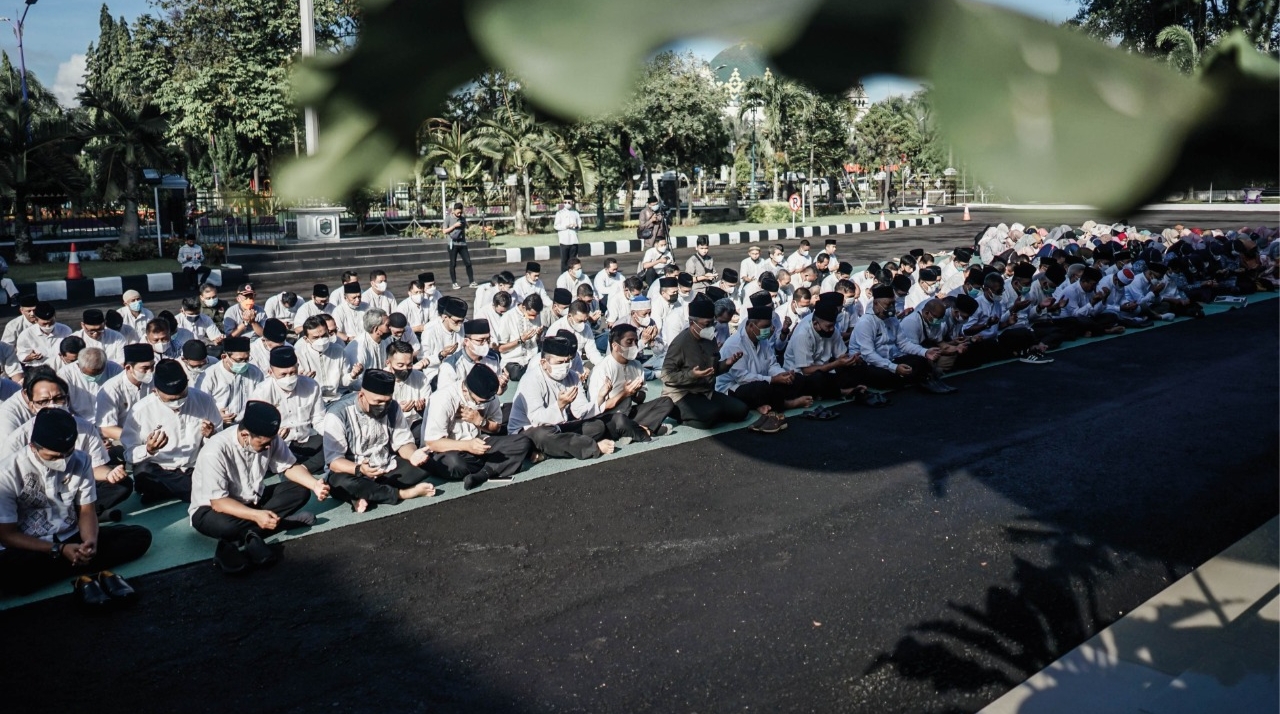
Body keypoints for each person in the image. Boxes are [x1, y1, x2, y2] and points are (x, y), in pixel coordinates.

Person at [0, 408, 152, 599]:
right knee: (7, 576)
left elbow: (87, 510)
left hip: (71, 538)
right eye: (54, 456)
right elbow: (7, 536)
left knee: (139, 537)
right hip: (31, 547)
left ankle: (70, 565)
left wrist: (90, 542)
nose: (62, 462)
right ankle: (76, 566)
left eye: (68, 453)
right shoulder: (6, 473)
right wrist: (58, 550)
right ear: (33, 446)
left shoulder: (81, 460)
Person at [190, 400, 329, 574]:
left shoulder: (269, 439)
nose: (269, 446)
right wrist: (256, 516)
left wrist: (314, 484)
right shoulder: (215, 451)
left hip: (252, 500)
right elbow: (219, 502)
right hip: (212, 510)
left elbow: (288, 466)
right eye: (263, 444)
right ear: (246, 435)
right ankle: (275, 524)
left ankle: (243, 537)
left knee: (299, 490)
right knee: (226, 527)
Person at [320, 369, 436, 512]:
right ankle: (401, 493)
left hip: (385, 466)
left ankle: (365, 494)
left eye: (386, 401)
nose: (383, 406)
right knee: (342, 483)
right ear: (361, 395)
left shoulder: (392, 407)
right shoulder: (337, 414)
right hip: (353, 472)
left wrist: (413, 454)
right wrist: (359, 469)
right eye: (378, 401)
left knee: (427, 463)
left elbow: (403, 442)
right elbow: (334, 461)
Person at [121, 359, 222, 504]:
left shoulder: (204, 400)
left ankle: (176, 491)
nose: (177, 403)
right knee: (143, 471)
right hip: (159, 468)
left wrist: (211, 435)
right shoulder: (140, 411)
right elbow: (129, 455)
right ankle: (194, 490)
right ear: (155, 391)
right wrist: (148, 449)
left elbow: (218, 443)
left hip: (193, 466)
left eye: (181, 397)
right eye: (170, 400)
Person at [507, 335, 620, 460]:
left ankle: (545, 453)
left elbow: (580, 411)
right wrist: (560, 405)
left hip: (558, 427)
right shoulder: (530, 380)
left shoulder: (572, 376)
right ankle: (593, 447)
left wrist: (600, 397)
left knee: (597, 426)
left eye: (567, 361)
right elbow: (536, 419)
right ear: (544, 363)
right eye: (560, 362)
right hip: (528, 430)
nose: (565, 366)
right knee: (542, 436)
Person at [422, 365, 531, 489]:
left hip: (479, 443)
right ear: (465, 390)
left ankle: (482, 474)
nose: (482, 404)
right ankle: (499, 465)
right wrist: (467, 445)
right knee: (455, 464)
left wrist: (480, 421)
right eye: (479, 401)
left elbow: (497, 428)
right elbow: (432, 443)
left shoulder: (489, 397)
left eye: (486, 401)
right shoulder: (443, 399)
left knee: (522, 442)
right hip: (449, 450)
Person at [716, 305, 818, 432]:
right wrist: (773, 379)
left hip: (763, 381)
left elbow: (772, 365)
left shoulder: (762, 340)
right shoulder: (734, 344)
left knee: (798, 379)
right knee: (761, 389)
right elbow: (742, 378)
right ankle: (789, 404)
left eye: (769, 326)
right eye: (765, 327)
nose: (770, 329)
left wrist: (784, 375)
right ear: (751, 326)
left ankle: (763, 403)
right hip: (734, 387)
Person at [660, 297, 749, 429]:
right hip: (682, 394)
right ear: (692, 323)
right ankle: (679, 414)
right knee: (711, 415)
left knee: (741, 410)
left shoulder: (709, 338)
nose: (710, 328)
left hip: (705, 391)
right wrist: (692, 375)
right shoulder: (680, 343)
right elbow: (666, 376)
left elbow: (713, 369)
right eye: (706, 324)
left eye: (712, 324)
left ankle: (708, 412)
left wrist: (728, 363)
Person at [850, 285, 944, 392]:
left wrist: (925, 352)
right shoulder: (865, 323)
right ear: (876, 304)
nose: (892, 307)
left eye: (893, 303)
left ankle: (906, 378)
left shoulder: (892, 319)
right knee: (884, 376)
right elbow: (868, 355)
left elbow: (903, 344)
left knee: (921, 360)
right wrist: (894, 368)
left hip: (890, 359)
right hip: (869, 363)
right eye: (888, 304)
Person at [588, 324, 675, 440]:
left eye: (635, 341)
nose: (634, 345)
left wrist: (635, 392)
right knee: (620, 420)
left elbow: (641, 399)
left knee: (666, 402)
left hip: (628, 414)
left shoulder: (637, 365)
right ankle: (643, 430)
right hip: (609, 419)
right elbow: (596, 409)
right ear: (615, 346)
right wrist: (624, 393)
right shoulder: (601, 370)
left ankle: (634, 430)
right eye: (629, 342)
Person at [249, 346, 327, 474]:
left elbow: (319, 419)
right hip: (279, 445)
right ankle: (297, 471)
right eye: (283, 375)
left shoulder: (311, 385)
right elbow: (257, 432)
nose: (289, 378)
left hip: (306, 440)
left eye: (292, 373)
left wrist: (333, 434)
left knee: (334, 443)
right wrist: (274, 436)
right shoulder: (261, 393)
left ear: (297, 367)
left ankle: (300, 470)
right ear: (270, 372)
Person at [195, 336, 264, 427]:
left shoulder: (255, 372)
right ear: (224, 357)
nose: (244, 363)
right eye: (239, 360)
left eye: (246, 359)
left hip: (247, 425)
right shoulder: (209, 376)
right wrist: (216, 416)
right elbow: (199, 406)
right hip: (218, 427)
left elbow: (262, 398)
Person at [96, 344, 156, 444]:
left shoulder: (154, 381)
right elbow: (106, 429)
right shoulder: (111, 389)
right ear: (128, 368)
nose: (150, 371)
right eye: (145, 368)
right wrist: (139, 437)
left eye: (152, 366)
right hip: (120, 438)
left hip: (151, 434)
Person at [294, 315, 352, 404]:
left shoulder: (339, 350)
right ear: (306, 339)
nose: (321, 340)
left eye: (324, 335)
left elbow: (344, 381)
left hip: (338, 398)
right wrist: (303, 381)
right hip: (313, 400)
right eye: (316, 337)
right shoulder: (299, 354)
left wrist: (353, 375)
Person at [59, 346, 120, 425]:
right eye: (90, 374)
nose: (94, 377)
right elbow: (62, 404)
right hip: (79, 422)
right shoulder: (65, 375)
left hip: (110, 421)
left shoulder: (115, 370)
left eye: (98, 373)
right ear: (78, 365)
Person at [385, 340, 432, 438]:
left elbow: (430, 405)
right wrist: (396, 410)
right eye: (400, 365)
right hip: (390, 426)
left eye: (409, 364)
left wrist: (422, 408)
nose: (405, 369)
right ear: (388, 363)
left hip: (415, 424)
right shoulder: (381, 380)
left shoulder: (420, 377)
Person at [419, 296, 466, 387]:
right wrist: (441, 355)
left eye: (462, 321)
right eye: (456, 321)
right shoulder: (430, 332)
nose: (460, 325)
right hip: (435, 373)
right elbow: (422, 359)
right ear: (445, 317)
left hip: (458, 371)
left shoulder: (463, 328)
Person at [496, 294, 544, 381]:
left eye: (536, 315)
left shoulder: (536, 316)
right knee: (517, 373)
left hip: (532, 359)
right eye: (532, 315)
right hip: (514, 361)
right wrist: (521, 340)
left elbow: (536, 343)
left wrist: (538, 336)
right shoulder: (508, 317)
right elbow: (501, 348)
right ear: (524, 307)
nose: (534, 318)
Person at [15, 302, 72, 370]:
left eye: (51, 323)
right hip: (37, 369)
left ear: (55, 317)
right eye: (44, 324)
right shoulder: (26, 335)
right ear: (36, 320)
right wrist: (30, 357)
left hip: (62, 368)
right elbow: (21, 356)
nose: (48, 326)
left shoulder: (65, 330)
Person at [343, 308, 390, 379]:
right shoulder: (359, 347)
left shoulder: (386, 340)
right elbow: (356, 381)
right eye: (387, 325)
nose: (390, 327)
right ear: (376, 329)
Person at [444, 202, 475, 289]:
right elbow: (444, 231)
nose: (459, 214)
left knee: (468, 262)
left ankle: (472, 281)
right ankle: (454, 282)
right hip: (452, 244)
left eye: (461, 212)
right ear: (453, 210)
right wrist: (454, 226)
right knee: (453, 263)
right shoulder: (448, 219)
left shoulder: (462, 219)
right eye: (458, 212)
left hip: (462, 243)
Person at [555, 197, 582, 275]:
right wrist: (566, 226)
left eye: (569, 202)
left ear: (572, 203)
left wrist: (576, 226)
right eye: (565, 202)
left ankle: (573, 273)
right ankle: (564, 275)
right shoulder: (559, 213)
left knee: (573, 259)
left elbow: (579, 225)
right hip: (564, 240)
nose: (567, 204)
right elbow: (556, 226)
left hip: (573, 240)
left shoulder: (575, 213)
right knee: (564, 260)